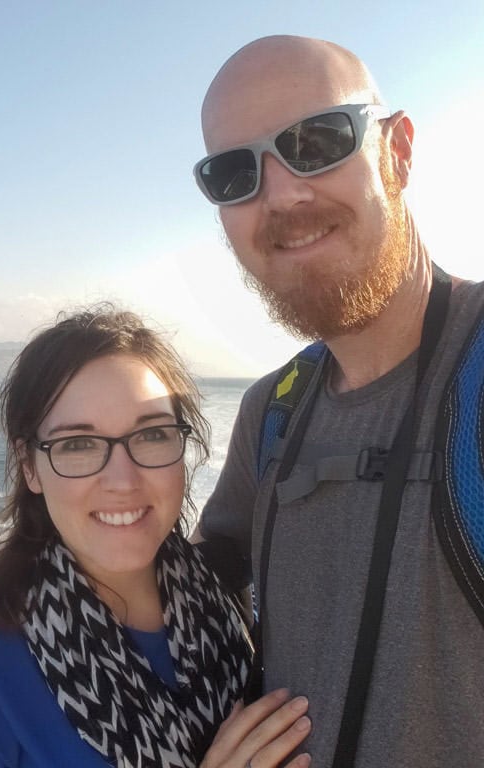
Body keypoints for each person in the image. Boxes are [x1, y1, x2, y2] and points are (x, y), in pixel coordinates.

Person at [193, 35, 484, 766]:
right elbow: (189, 589)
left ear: (399, 150)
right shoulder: (274, 412)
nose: (283, 194)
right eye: (235, 174)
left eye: (318, 141)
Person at [0, 306, 312, 768]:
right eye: (77, 444)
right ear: (29, 466)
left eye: (152, 435)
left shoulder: (221, 590)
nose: (123, 480)